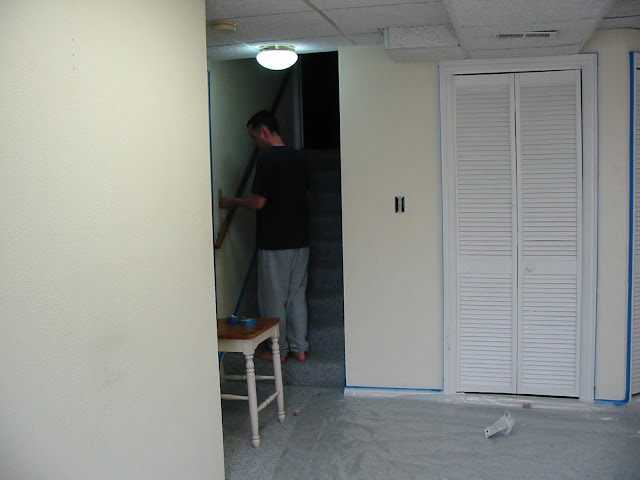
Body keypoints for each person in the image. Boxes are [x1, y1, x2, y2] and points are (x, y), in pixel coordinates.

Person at [219, 110, 309, 363]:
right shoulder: (298, 157)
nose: (254, 142)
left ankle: (279, 351)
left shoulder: (267, 159)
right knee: (296, 295)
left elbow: (259, 202)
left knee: (273, 298)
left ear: (265, 132)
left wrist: (233, 202)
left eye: (254, 136)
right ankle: (300, 348)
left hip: (275, 240)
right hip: (301, 238)